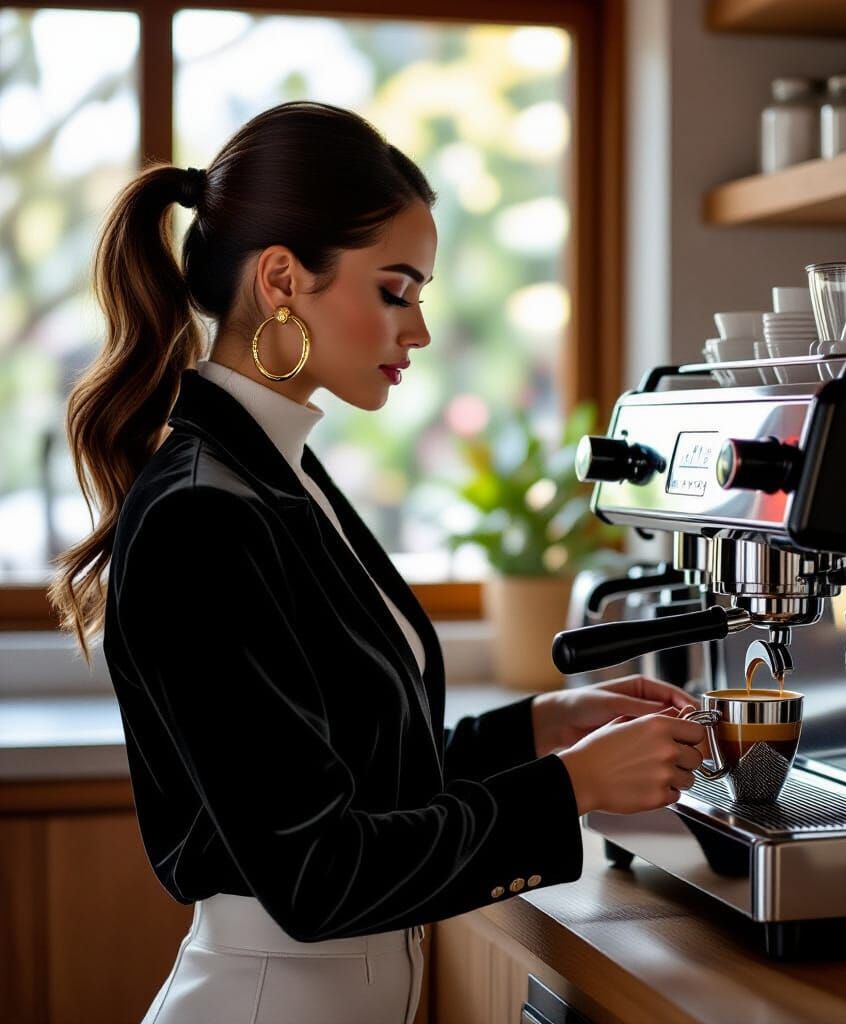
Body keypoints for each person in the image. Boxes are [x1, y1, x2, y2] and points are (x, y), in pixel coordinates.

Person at [48, 101, 707, 1024]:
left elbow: (355, 770)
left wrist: (541, 728)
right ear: (282, 279)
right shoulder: (202, 515)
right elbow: (319, 872)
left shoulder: (281, 474)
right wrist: (573, 787)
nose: (421, 330)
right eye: (396, 289)